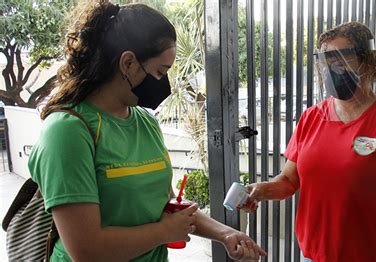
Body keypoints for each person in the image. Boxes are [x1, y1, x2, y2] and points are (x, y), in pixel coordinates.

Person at [28, 1, 266, 261]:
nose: (164, 84)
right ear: (128, 63)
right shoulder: (67, 132)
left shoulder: (145, 122)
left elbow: (169, 206)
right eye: (160, 71)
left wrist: (226, 234)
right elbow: (86, 250)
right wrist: (163, 231)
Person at [240, 22, 376, 262]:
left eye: (341, 61)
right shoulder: (310, 118)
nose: (332, 70)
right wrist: (259, 191)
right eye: (326, 62)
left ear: (368, 62)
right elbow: (289, 180)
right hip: (312, 256)